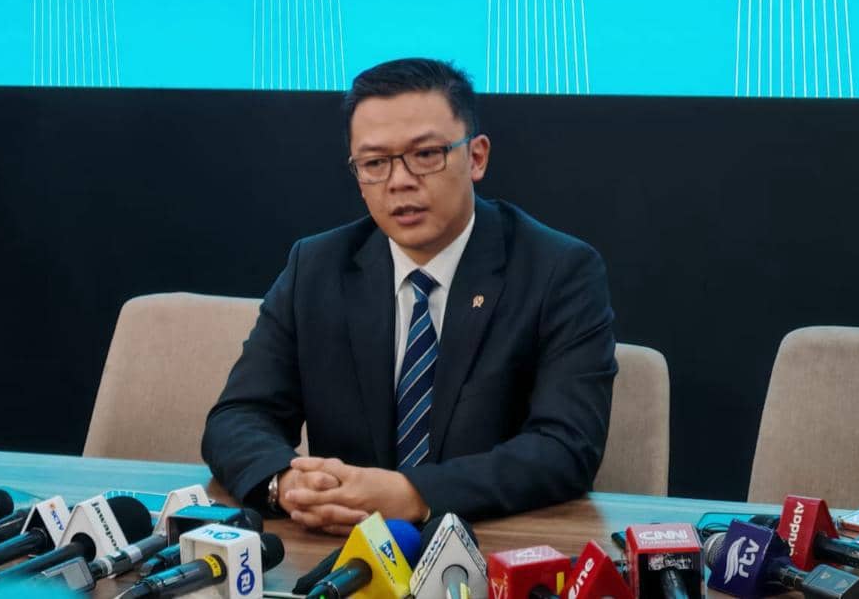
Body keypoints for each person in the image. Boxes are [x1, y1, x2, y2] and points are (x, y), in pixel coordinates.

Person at [201, 58, 616, 533]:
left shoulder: (558, 271)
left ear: (476, 157)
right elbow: (239, 416)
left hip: (490, 546)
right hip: (343, 549)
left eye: (426, 154)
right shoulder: (316, 267)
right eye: (375, 163)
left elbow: (565, 447)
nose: (399, 180)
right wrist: (288, 484)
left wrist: (413, 495)